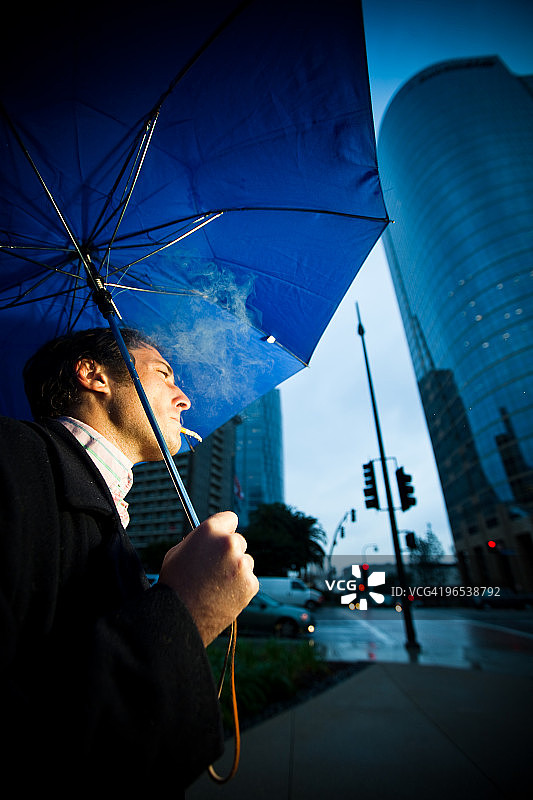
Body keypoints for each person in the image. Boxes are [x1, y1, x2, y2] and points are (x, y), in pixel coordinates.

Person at [0, 326, 258, 795]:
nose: (185, 399)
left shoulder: (103, 507)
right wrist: (185, 610)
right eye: (164, 374)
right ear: (92, 374)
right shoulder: (9, 459)